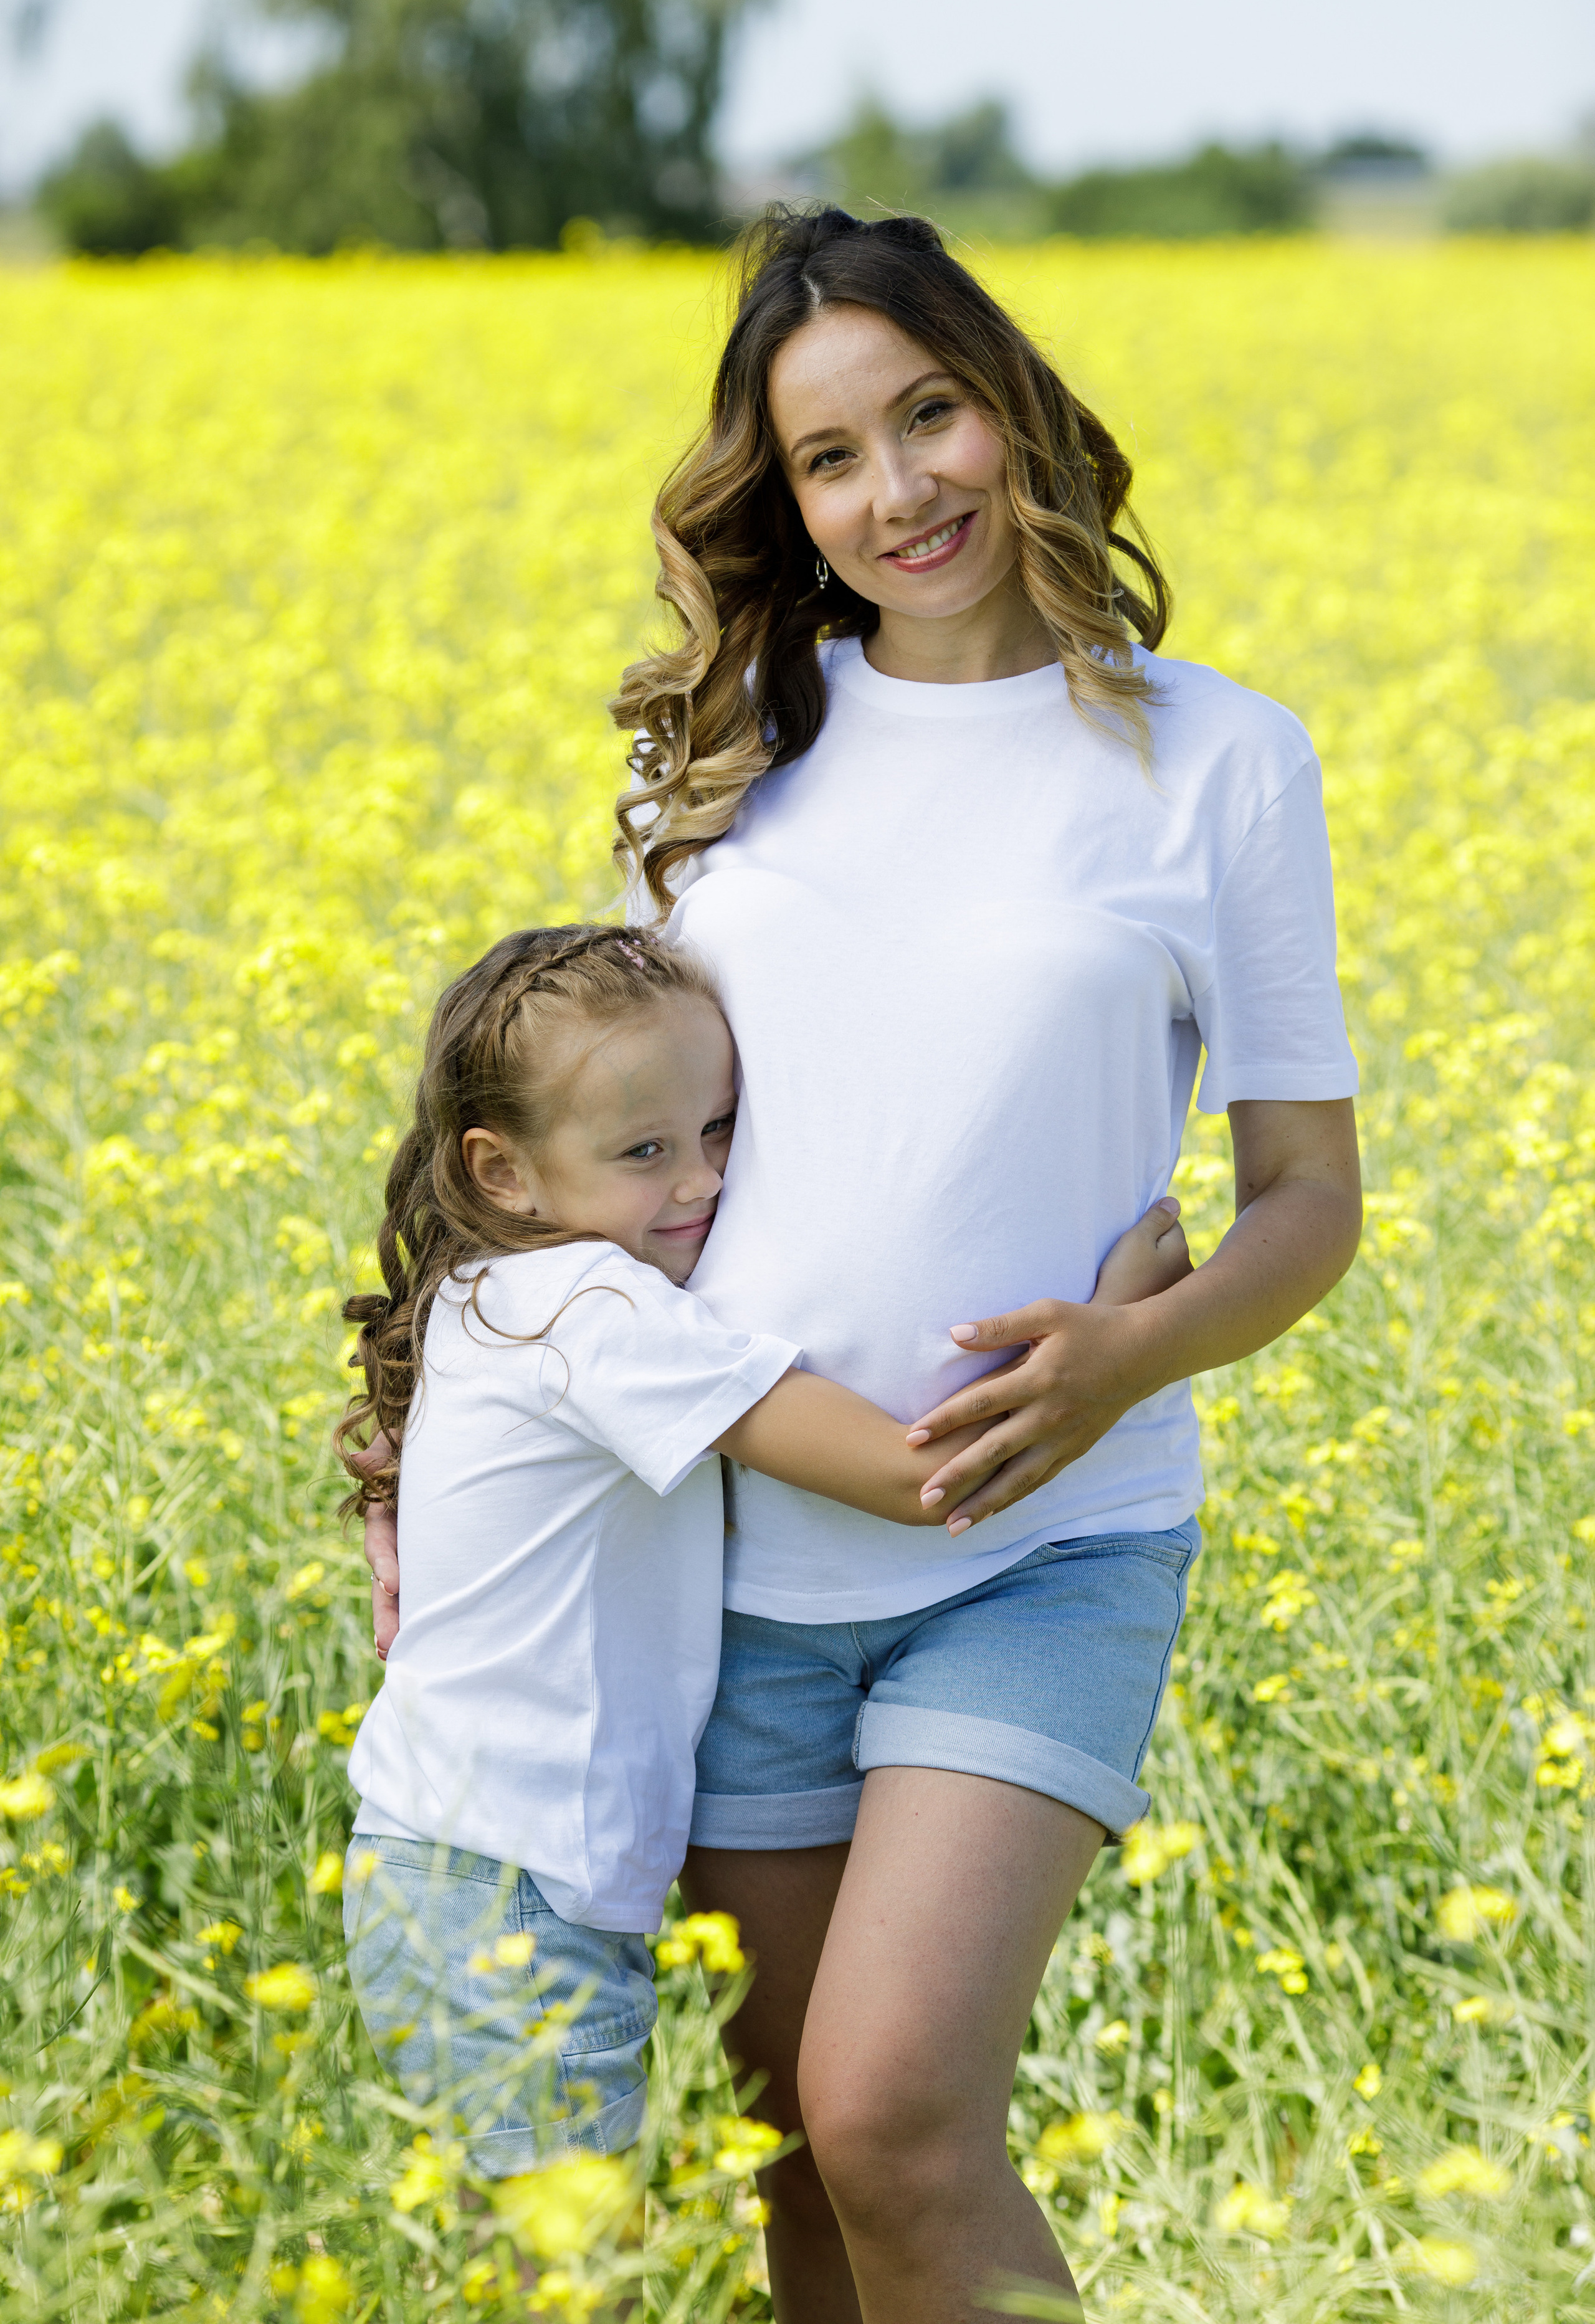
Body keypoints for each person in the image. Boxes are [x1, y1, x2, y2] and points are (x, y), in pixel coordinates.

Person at [366, 204, 1362, 2323]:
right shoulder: (717, 759)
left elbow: (1308, 1199)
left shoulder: (1222, 758)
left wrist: (1132, 1350)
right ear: (787, 505)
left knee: (897, 2111)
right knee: (802, 2174)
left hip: (1042, 1545)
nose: (899, 489)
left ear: (1012, 407)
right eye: (832, 456)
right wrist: (408, 1470)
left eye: (931, 416)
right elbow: (566, 1142)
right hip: (722, 1568)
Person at [336, 921, 1188, 2192]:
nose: (699, 1186)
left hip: (463, 1861)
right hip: (506, 1885)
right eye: (644, 1153)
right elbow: (921, 1477)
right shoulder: (598, 1310)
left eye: (719, 1131)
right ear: (502, 1170)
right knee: (560, 2277)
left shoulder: (487, 1278)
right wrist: (1119, 1335)